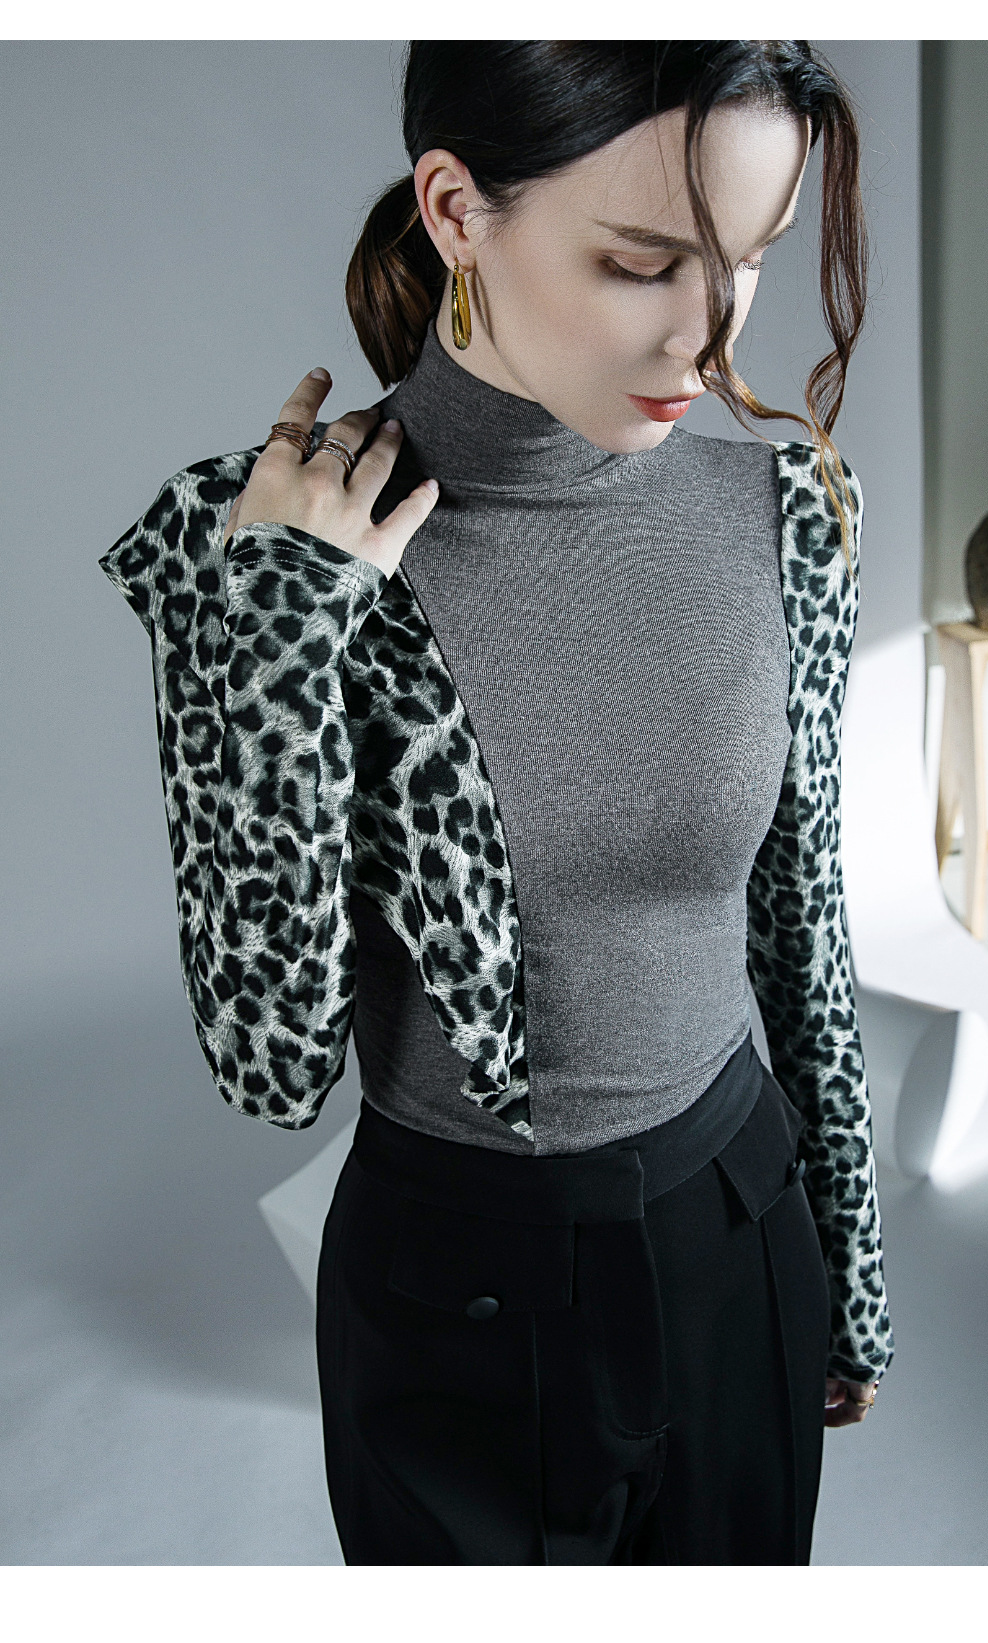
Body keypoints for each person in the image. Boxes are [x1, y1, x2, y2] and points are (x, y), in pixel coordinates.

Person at [99, 40, 895, 1565]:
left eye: (751, 258)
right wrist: (288, 620)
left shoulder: (786, 512)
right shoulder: (262, 543)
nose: (710, 333)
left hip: (739, 1238)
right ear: (457, 209)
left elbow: (802, 917)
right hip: (450, 1299)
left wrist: (847, 1266)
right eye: (642, 262)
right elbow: (271, 1063)